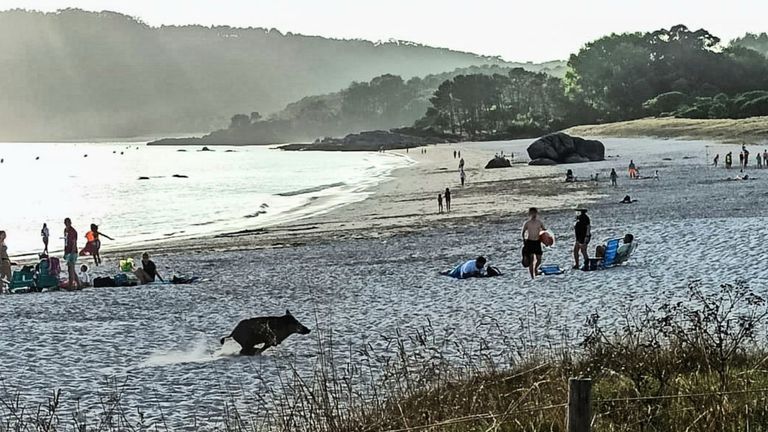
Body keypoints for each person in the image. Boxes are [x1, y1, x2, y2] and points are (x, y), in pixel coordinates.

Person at [521, 207, 546, 279]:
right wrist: (524, 240)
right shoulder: (527, 223)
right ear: (529, 214)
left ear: (536, 213)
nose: (533, 214)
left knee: (539, 259)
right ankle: (532, 276)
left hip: (537, 242)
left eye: (534, 213)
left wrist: (546, 239)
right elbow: (523, 232)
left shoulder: (539, 222)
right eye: (532, 213)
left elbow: (544, 230)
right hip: (529, 242)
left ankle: (536, 269)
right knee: (531, 260)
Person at [63, 218, 81, 290]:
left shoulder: (73, 231)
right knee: (71, 269)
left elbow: (74, 242)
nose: (67, 224)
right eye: (66, 222)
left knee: (71, 269)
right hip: (68, 251)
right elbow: (65, 241)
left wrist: (72, 252)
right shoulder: (65, 230)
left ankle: (71, 285)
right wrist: (65, 252)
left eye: (68, 222)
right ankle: (79, 284)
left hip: (72, 252)